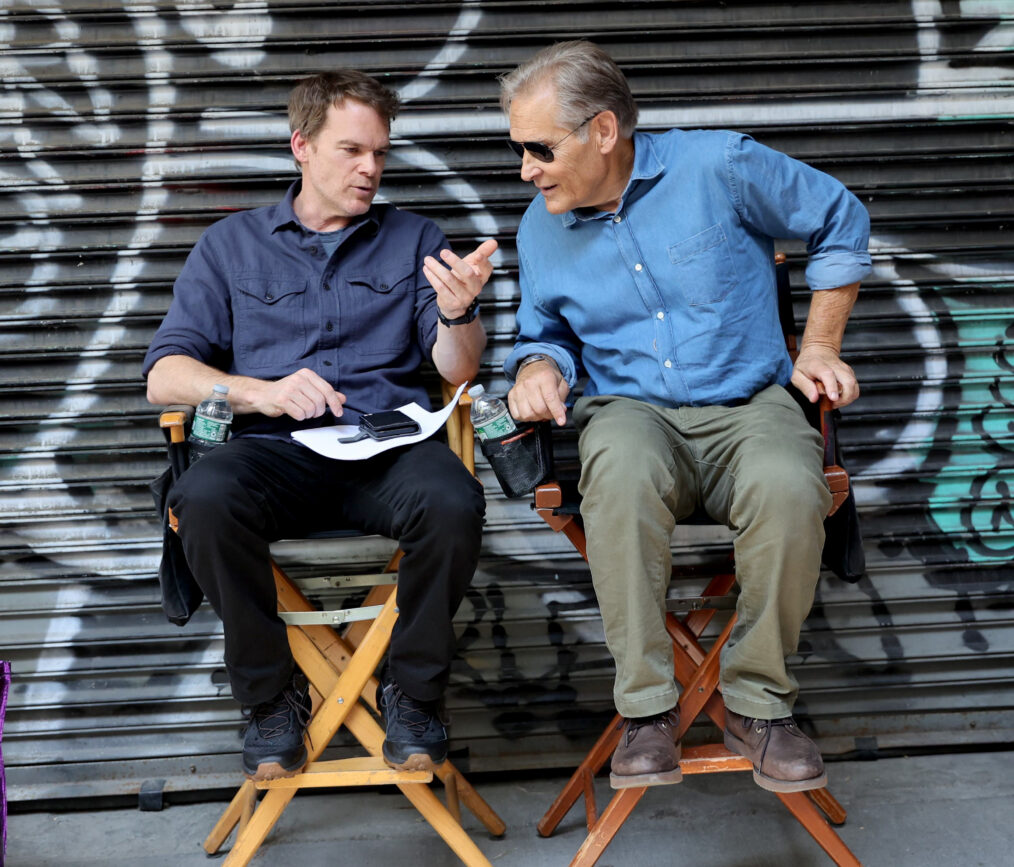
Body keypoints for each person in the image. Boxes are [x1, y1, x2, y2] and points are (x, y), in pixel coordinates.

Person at [500, 41, 871, 793]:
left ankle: (758, 703)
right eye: (520, 151)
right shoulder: (540, 227)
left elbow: (840, 216)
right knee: (622, 472)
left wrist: (821, 343)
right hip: (631, 412)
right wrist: (538, 368)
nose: (526, 170)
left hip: (750, 404)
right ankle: (645, 711)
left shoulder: (719, 167)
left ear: (603, 131)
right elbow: (542, 335)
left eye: (539, 149)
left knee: (790, 483)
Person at [143, 70, 497, 780]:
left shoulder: (414, 239)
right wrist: (260, 391)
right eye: (351, 150)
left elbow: (456, 371)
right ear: (301, 146)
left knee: (455, 500)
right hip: (275, 455)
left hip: (385, 449)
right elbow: (163, 376)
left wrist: (460, 314)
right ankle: (272, 699)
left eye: (380, 154)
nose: (370, 168)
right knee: (202, 501)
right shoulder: (230, 246)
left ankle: (414, 693)